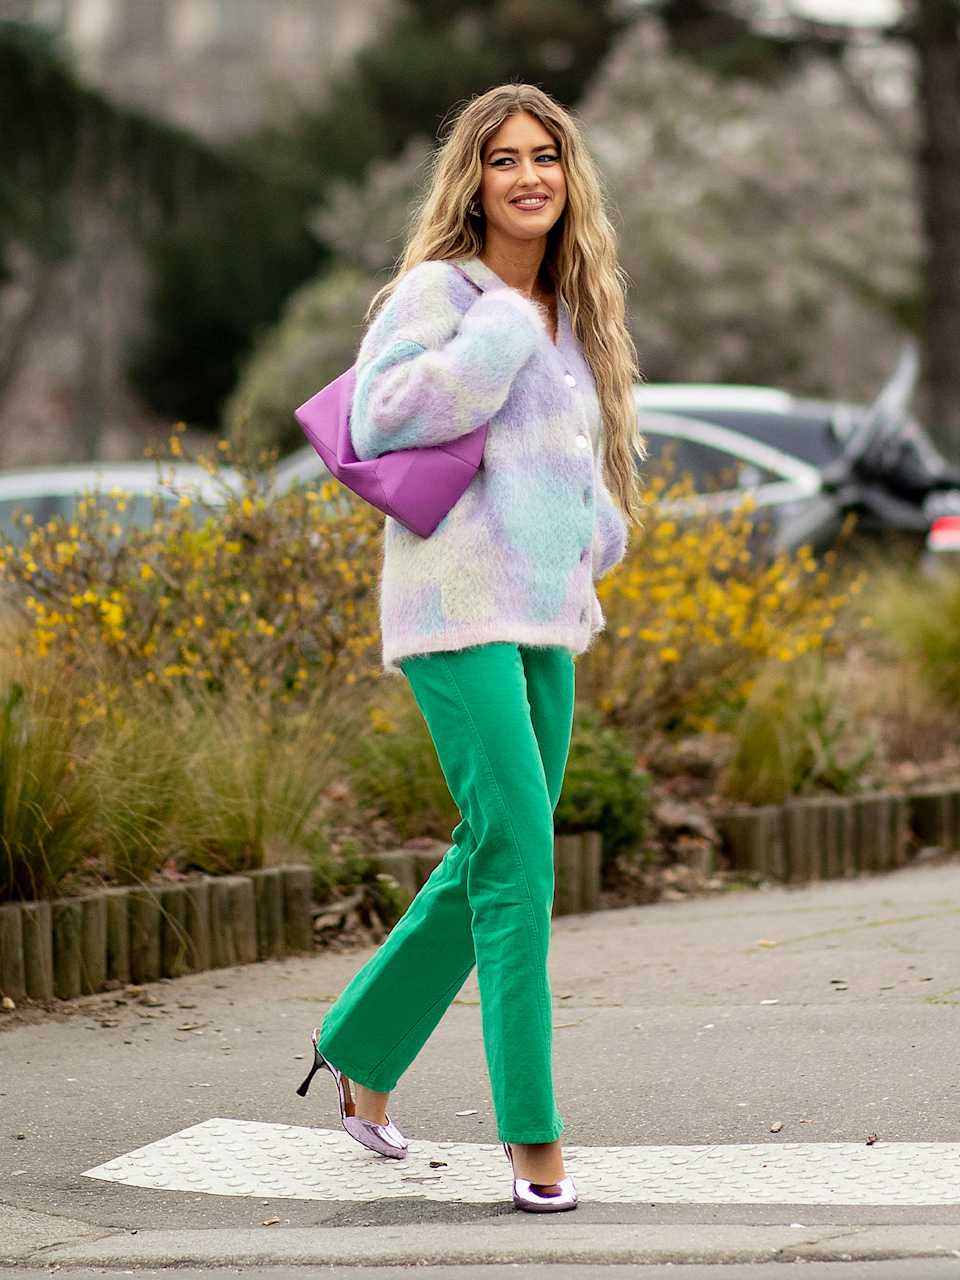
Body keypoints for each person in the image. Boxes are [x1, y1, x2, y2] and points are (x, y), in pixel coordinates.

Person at [296, 81, 644, 1213]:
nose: (528, 175)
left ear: (567, 174)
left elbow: (563, 458)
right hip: (454, 607)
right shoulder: (442, 291)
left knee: (497, 843)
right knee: (522, 861)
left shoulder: (573, 313)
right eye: (504, 159)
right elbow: (380, 415)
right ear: (475, 179)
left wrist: (600, 531)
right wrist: (496, 327)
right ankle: (532, 1138)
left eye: (546, 155)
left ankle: (357, 1048)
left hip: (545, 612)